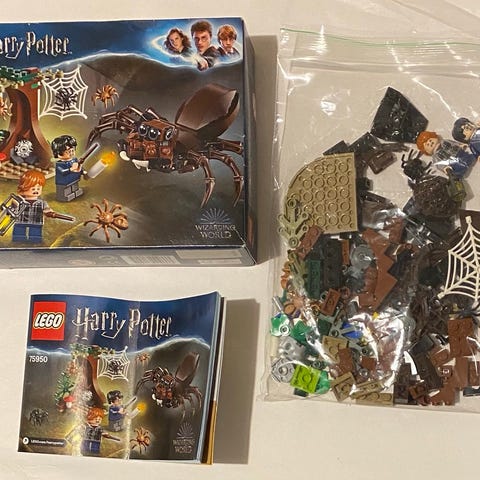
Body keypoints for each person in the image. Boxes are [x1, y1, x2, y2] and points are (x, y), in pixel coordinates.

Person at [12, 170, 52, 243]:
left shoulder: (42, 202)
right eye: (33, 189)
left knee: (35, 235)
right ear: (23, 188)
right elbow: (12, 209)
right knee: (19, 234)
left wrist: (48, 212)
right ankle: (18, 239)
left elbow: (47, 209)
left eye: (38, 188)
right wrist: (14, 206)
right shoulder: (19, 200)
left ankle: (35, 240)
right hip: (20, 221)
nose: (36, 191)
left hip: (36, 221)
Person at [51, 135, 86, 202]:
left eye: (72, 150)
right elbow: (63, 172)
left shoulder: (74, 160)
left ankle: (76, 192)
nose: (71, 153)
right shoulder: (59, 164)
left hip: (74, 179)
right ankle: (63, 197)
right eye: (68, 151)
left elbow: (78, 166)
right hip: (63, 182)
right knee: (65, 191)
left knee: (74, 187)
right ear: (58, 153)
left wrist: (83, 171)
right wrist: (71, 169)